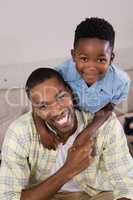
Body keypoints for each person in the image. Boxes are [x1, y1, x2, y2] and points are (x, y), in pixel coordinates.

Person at [0, 68, 133, 200]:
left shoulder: (105, 123)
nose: (57, 110)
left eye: (61, 96)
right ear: (36, 111)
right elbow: (9, 197)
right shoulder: (19, 132)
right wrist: (69, 169)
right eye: (43, 106)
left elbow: (126, 186)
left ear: (70, 91)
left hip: (99, 193)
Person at [34, 17, 130, 150]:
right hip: (67, 114)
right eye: (84, 58)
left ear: (111, 58)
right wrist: (43, 132)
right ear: (74, 55)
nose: (91, 67)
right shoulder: (61, 73)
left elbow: (108, 107)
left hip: (96, 117)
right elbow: (39, 100)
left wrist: (87, 132)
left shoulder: (120, 82)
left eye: (101, 59)